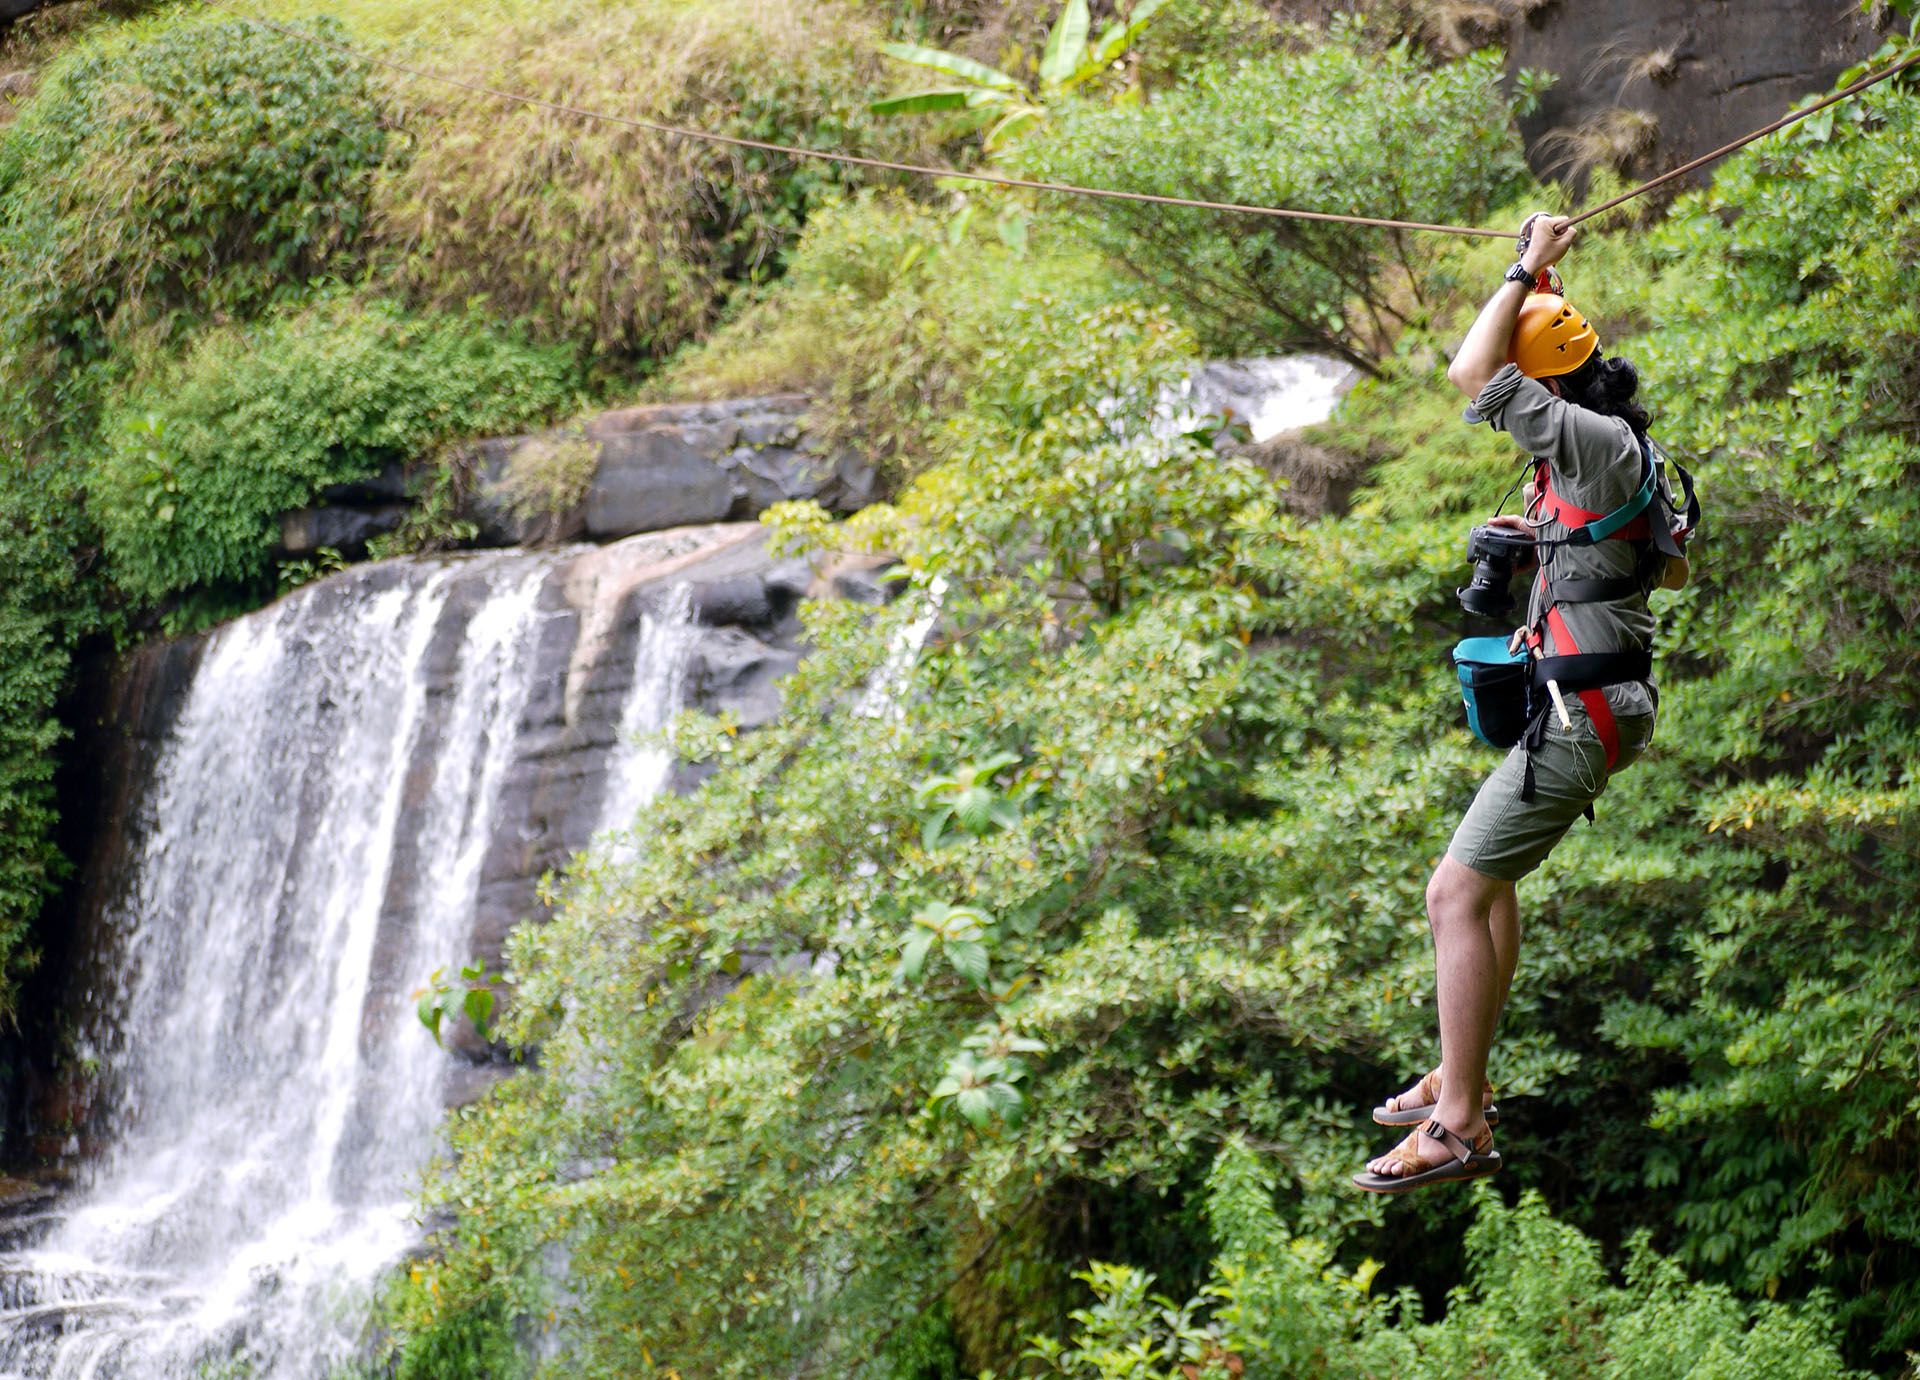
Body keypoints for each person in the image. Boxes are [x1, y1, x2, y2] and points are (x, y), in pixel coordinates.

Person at [1353, 213, 1687, 1193]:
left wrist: (1525, 266)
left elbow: (1468, 371)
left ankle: (1460, 1123)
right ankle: (1463, 1079)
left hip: (1584, 711)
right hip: (1587, 702)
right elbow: (1652, 571)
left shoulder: (1588, 441)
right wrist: (1549, 547)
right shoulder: (1610, 446)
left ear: (1544, 388)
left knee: (1452, 893)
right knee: (1484, 889)